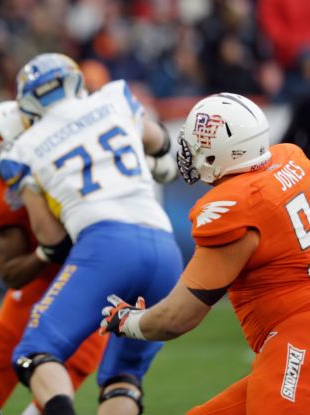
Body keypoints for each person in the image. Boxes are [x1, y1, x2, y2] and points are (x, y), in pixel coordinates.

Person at [0, 53, 183, 415]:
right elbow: (160, 142)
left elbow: (50, 238)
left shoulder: (23, 149)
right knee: (123, 376)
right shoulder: (114, 97)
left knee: (33, 353)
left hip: (107, 245)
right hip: (165, 247)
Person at [101, 92, 310, 414]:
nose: (188, 150)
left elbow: (177, 317)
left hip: (298, 338)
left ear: (218, 153)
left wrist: (127, 320)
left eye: (197, 143)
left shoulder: (235, 206)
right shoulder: (290, 159)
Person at [0, 100, 108, 414]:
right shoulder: (0, 188)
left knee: (74, 387)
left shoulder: (84, 168)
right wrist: (46, 251)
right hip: (35, 289)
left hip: (90, 286)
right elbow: (9, 271)